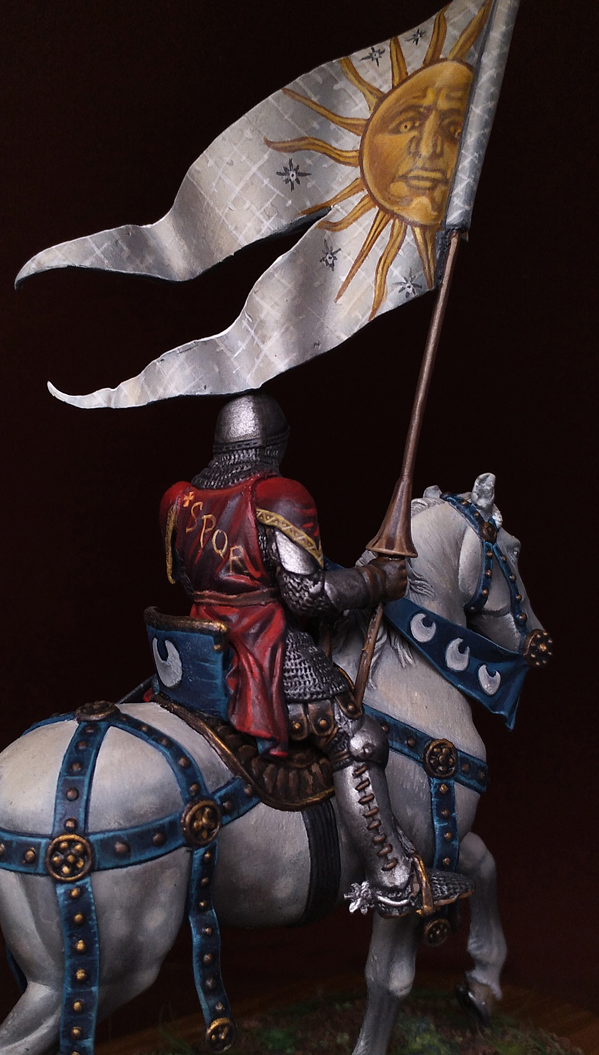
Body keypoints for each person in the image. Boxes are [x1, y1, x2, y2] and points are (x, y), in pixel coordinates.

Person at [160, 390, 472, 919]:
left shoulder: (179, 499)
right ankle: (395, 878)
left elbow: (190, 580)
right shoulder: (279, 496)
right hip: (261, 651)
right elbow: (306, 595)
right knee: (357, 736)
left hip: (195, 649)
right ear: (274, 445)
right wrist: (377, 580)